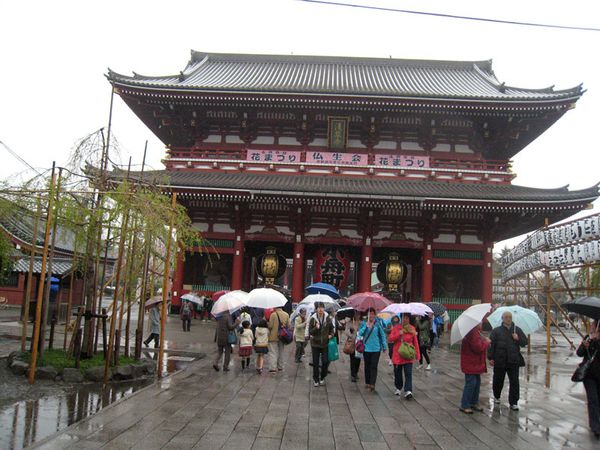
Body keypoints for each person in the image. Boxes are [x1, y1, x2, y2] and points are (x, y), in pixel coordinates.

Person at [487, 311, 527, 410]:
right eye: (506, 317)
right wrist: (491, 358)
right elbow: (491, 345)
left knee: (514, 382)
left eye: (510, 317)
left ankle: (513, 402)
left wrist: (518, 338)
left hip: (513, 360)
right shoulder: (496, 331)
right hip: (500, 360)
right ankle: (496, 396)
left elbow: (525, 342)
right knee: (498, 380)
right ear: (502, 318)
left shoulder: (517, 330)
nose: (508, 319)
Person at [459, 323, 491, 414]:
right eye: (480, 321)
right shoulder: (473, 332)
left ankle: (473, 402)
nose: (481, 323)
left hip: (475, 363)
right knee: (471, 383)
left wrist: (483, 340)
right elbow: (478, 347)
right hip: (471, 362)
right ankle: (465, 404)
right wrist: (486, 342)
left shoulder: (476, 331)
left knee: (476, 383)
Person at [576, 320, 600, 437]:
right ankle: (596, 427)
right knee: (593, 400)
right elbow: (579, 353)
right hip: (589, 375)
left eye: (593, 325)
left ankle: (595, 422)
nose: (591, 327)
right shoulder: (588, 338)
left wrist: (597, 341)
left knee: (598, 400)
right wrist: (585, 346)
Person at [389, 313, 420, 400]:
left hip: (408, 355)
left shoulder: (412, 329)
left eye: (407, 318)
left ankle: (408, 390)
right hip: (398, 355)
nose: (405, 319)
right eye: (404, 317)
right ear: (401, 318)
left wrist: (417, 355)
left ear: (409, 319)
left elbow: (415, 342)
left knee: (408, 373)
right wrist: (399, 333)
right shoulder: (396, 328)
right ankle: (398, 387)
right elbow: (390, 339)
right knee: (398, 373)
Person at [357, 308, 387, 392]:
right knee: (367, 366)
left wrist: (384, 346)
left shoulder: (377, 324)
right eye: (370, 314)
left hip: (376, 348)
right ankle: (367, 381)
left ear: (375, 315)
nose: (371, 315)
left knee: (374, 366)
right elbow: (359, 333)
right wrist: (366, 326)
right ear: (367, 315)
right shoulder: (363, 323)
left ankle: (372, 383)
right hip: (366, 348)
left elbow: (382, 335)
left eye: (373, 314)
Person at [308, 301, 334, 387]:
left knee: (325, 362)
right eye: (318, 308)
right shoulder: (313, 319)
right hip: (315, 344)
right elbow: (310, 332)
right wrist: (316, 328)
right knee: (315, 363)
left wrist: (331, 335)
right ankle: (316, 379)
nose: (320, 310)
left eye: (322, 308)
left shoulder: (327, 318)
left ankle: (322, 377)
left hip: (325, 344)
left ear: (324, 309)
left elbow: (332, 329)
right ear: (316, 309)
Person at [267, 305, 290, 373]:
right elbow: (288, 325)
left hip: (273, 336)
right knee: (281, 351)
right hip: (282, 336)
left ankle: (273, 367)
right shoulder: (286, 314)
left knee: (273, 352)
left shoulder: (273, 315)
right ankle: (280, 366)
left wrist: (267, 323)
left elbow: (270, 326)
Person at [343, 310, 363, 382]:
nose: (358, 315)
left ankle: (356, 372)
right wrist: (350, 334)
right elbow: (346, 331)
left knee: (358, 358)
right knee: (352, 358)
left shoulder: (362, 323)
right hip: (351, 342)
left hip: (359, 343)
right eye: (356, 314)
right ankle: (353, 375)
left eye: (359, 314)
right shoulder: (350, 322)